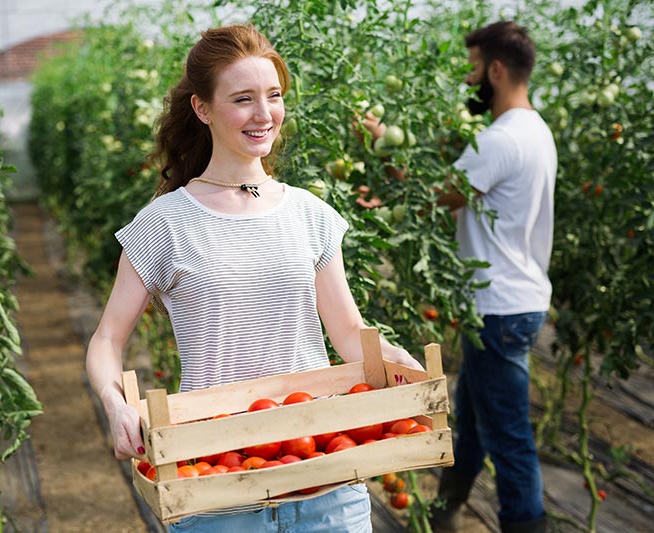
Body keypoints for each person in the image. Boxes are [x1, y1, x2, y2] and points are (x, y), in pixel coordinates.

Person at [84, 24, 423, 532]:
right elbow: (107, 338)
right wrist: (114, 403)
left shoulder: (311, 215)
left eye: (274, 96)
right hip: (215, 485)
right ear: (203, 109)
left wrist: (396, 362)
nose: (264, 115)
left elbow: (349, 333)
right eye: (243, 99)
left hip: (324, 476)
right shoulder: (164, 224)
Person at [362, 20, 556, 533]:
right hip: (516, 300)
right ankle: (445, 511)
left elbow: (432, 195)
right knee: (470, 420)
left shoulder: (499, 140)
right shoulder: (536, 130)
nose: (467, 81)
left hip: (499, 307)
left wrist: (383, 142)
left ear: (494, 70)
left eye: (471, 68)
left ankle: (525, 524)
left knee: (509, 434)